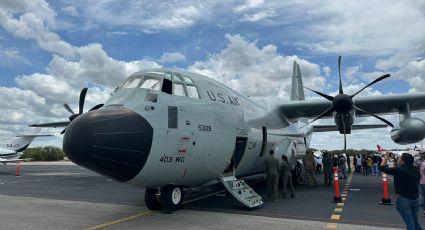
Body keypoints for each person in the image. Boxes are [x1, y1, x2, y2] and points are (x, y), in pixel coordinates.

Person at [380, 153, 422, 230]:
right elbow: (398, 169)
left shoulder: (399, 170)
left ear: (403, 162)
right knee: (415, 221)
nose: (399, 160)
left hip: (403, 198)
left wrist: (385, 157)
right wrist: (395, 160)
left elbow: (382, 168)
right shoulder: (416, 169)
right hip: (415, 198)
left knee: (409, 221)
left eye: (400, 159)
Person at [418, 149, 425, 217]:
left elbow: (421, 172)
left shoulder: (421, 163)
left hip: (422, 181)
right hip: (422, 181)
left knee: (423, 195)